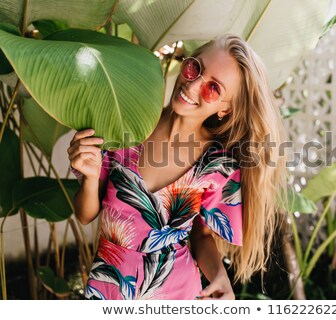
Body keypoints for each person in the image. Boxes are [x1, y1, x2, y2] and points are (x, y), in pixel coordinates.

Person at [67, 34, 287, 300]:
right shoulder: (126, 125)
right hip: (108, 288)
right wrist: (90, 177)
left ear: (225, 110)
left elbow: (202, 235)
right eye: (195, 67)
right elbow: (85, 214)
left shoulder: (217, 166)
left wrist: (219, 276)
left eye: (213, 87)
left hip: (177, 293)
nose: (192, 86)